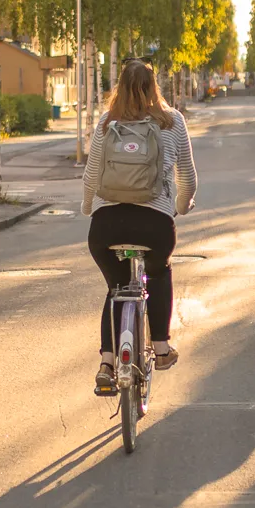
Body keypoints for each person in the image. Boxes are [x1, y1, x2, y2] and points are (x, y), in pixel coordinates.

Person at [82, 59, 197, 393]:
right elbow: (187, 177)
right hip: (154, 226)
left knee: (116, 287)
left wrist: (89, 208)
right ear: (153, 85)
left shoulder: (106, 122)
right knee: (159, 273)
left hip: (107, 228)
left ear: (120, 85)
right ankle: (160, 348)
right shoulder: (173, 121)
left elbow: (91, 176)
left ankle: (106, 363)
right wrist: (181, 206)